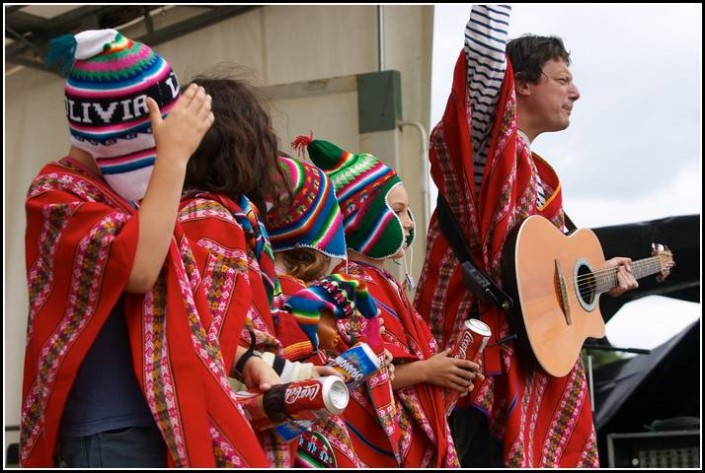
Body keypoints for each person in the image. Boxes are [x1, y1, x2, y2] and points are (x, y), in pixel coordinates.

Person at [21, 30, 273, 467]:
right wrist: (173, 159)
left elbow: (173, 308)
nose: (164, 149)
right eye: (157, 137)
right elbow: (138, 269)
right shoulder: (55, 195)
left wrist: (243, 357)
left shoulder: (132, 201)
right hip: (105, 431)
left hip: (156, 422)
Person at [414, 5, 639, 467]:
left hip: (525, 364)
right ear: (518, 85)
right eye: (561, 79)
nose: (576, 91)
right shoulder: (485, 148)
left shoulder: (539, 178)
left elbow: (542, 281)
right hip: (472, 362)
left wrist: (597, 281)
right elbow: (482, 58)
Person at [179, 73, 378, 467]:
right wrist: (288, 370)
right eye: (263, 134)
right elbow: (211, 344)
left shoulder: (233, 219)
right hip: (226, 427)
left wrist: (297, 371)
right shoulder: (211, 220)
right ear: (243, 144)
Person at [297, 135, 484, 467]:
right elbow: (356, 375)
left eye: (408, 211)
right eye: (397, 212)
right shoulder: (348, 287)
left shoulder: (386, 284)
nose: (410, 223)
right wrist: (429, 370)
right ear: (360, 219)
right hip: (377, 442)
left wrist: (447, 370)